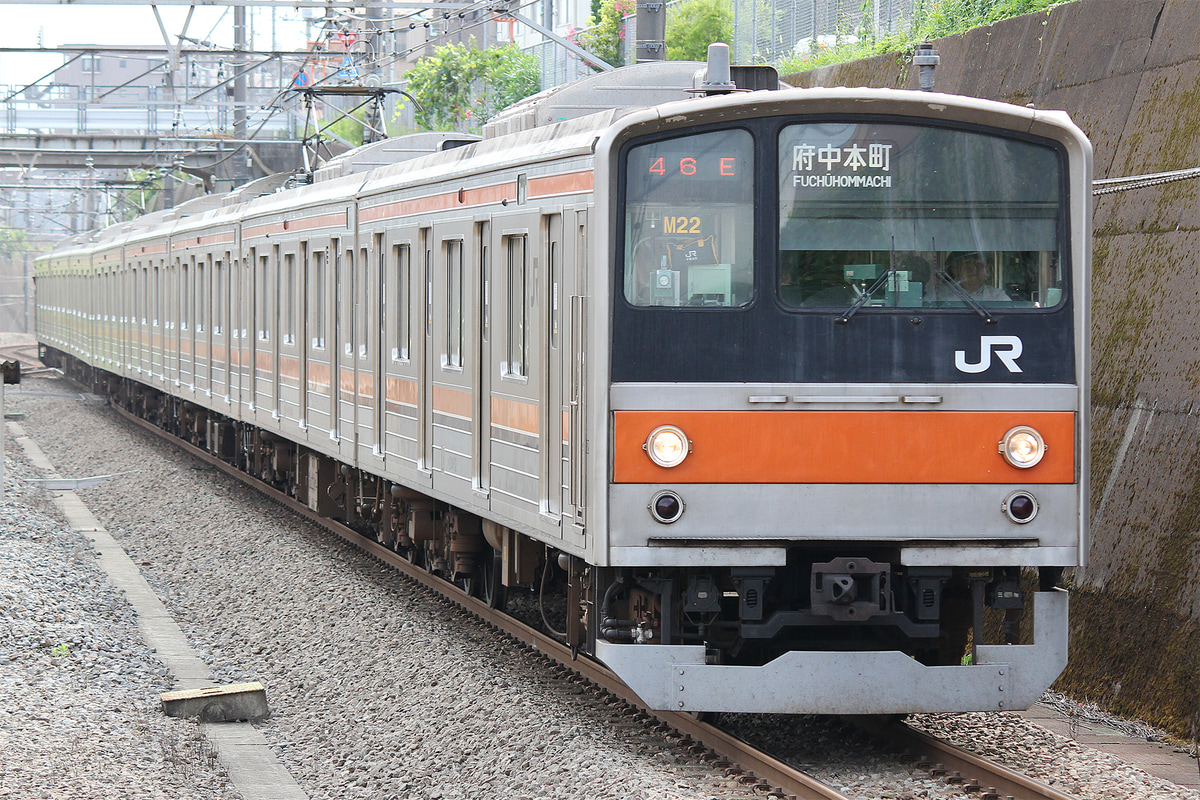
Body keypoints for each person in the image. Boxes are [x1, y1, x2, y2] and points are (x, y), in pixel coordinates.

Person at [931, 252, 1010, 303]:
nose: (973, 268)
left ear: (987, 270)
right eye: (967, 263)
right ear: (955, 268)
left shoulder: (998, 296)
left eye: (978, 264)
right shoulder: (938, 295)